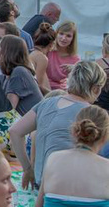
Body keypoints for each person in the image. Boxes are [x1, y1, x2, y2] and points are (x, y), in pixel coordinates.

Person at [10, 60, 106, 190]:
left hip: (41, 181)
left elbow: (15, 131)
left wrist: (27, 168)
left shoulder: (47, 103)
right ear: (96, 88)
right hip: (69, 186)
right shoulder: (90, 113)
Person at [0, 36, 42, 115]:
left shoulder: (19, 72)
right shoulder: (6, 77)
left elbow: (8, 111)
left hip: (31, 126)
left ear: (6, 52)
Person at [46, 21, 80, 90]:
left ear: (73, 39)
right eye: (61, 34)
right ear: (56, 34)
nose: (64, 38)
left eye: (68, 36)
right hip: (45, 91)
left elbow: (75, 83)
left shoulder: (76, 59)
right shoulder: (47, 52)